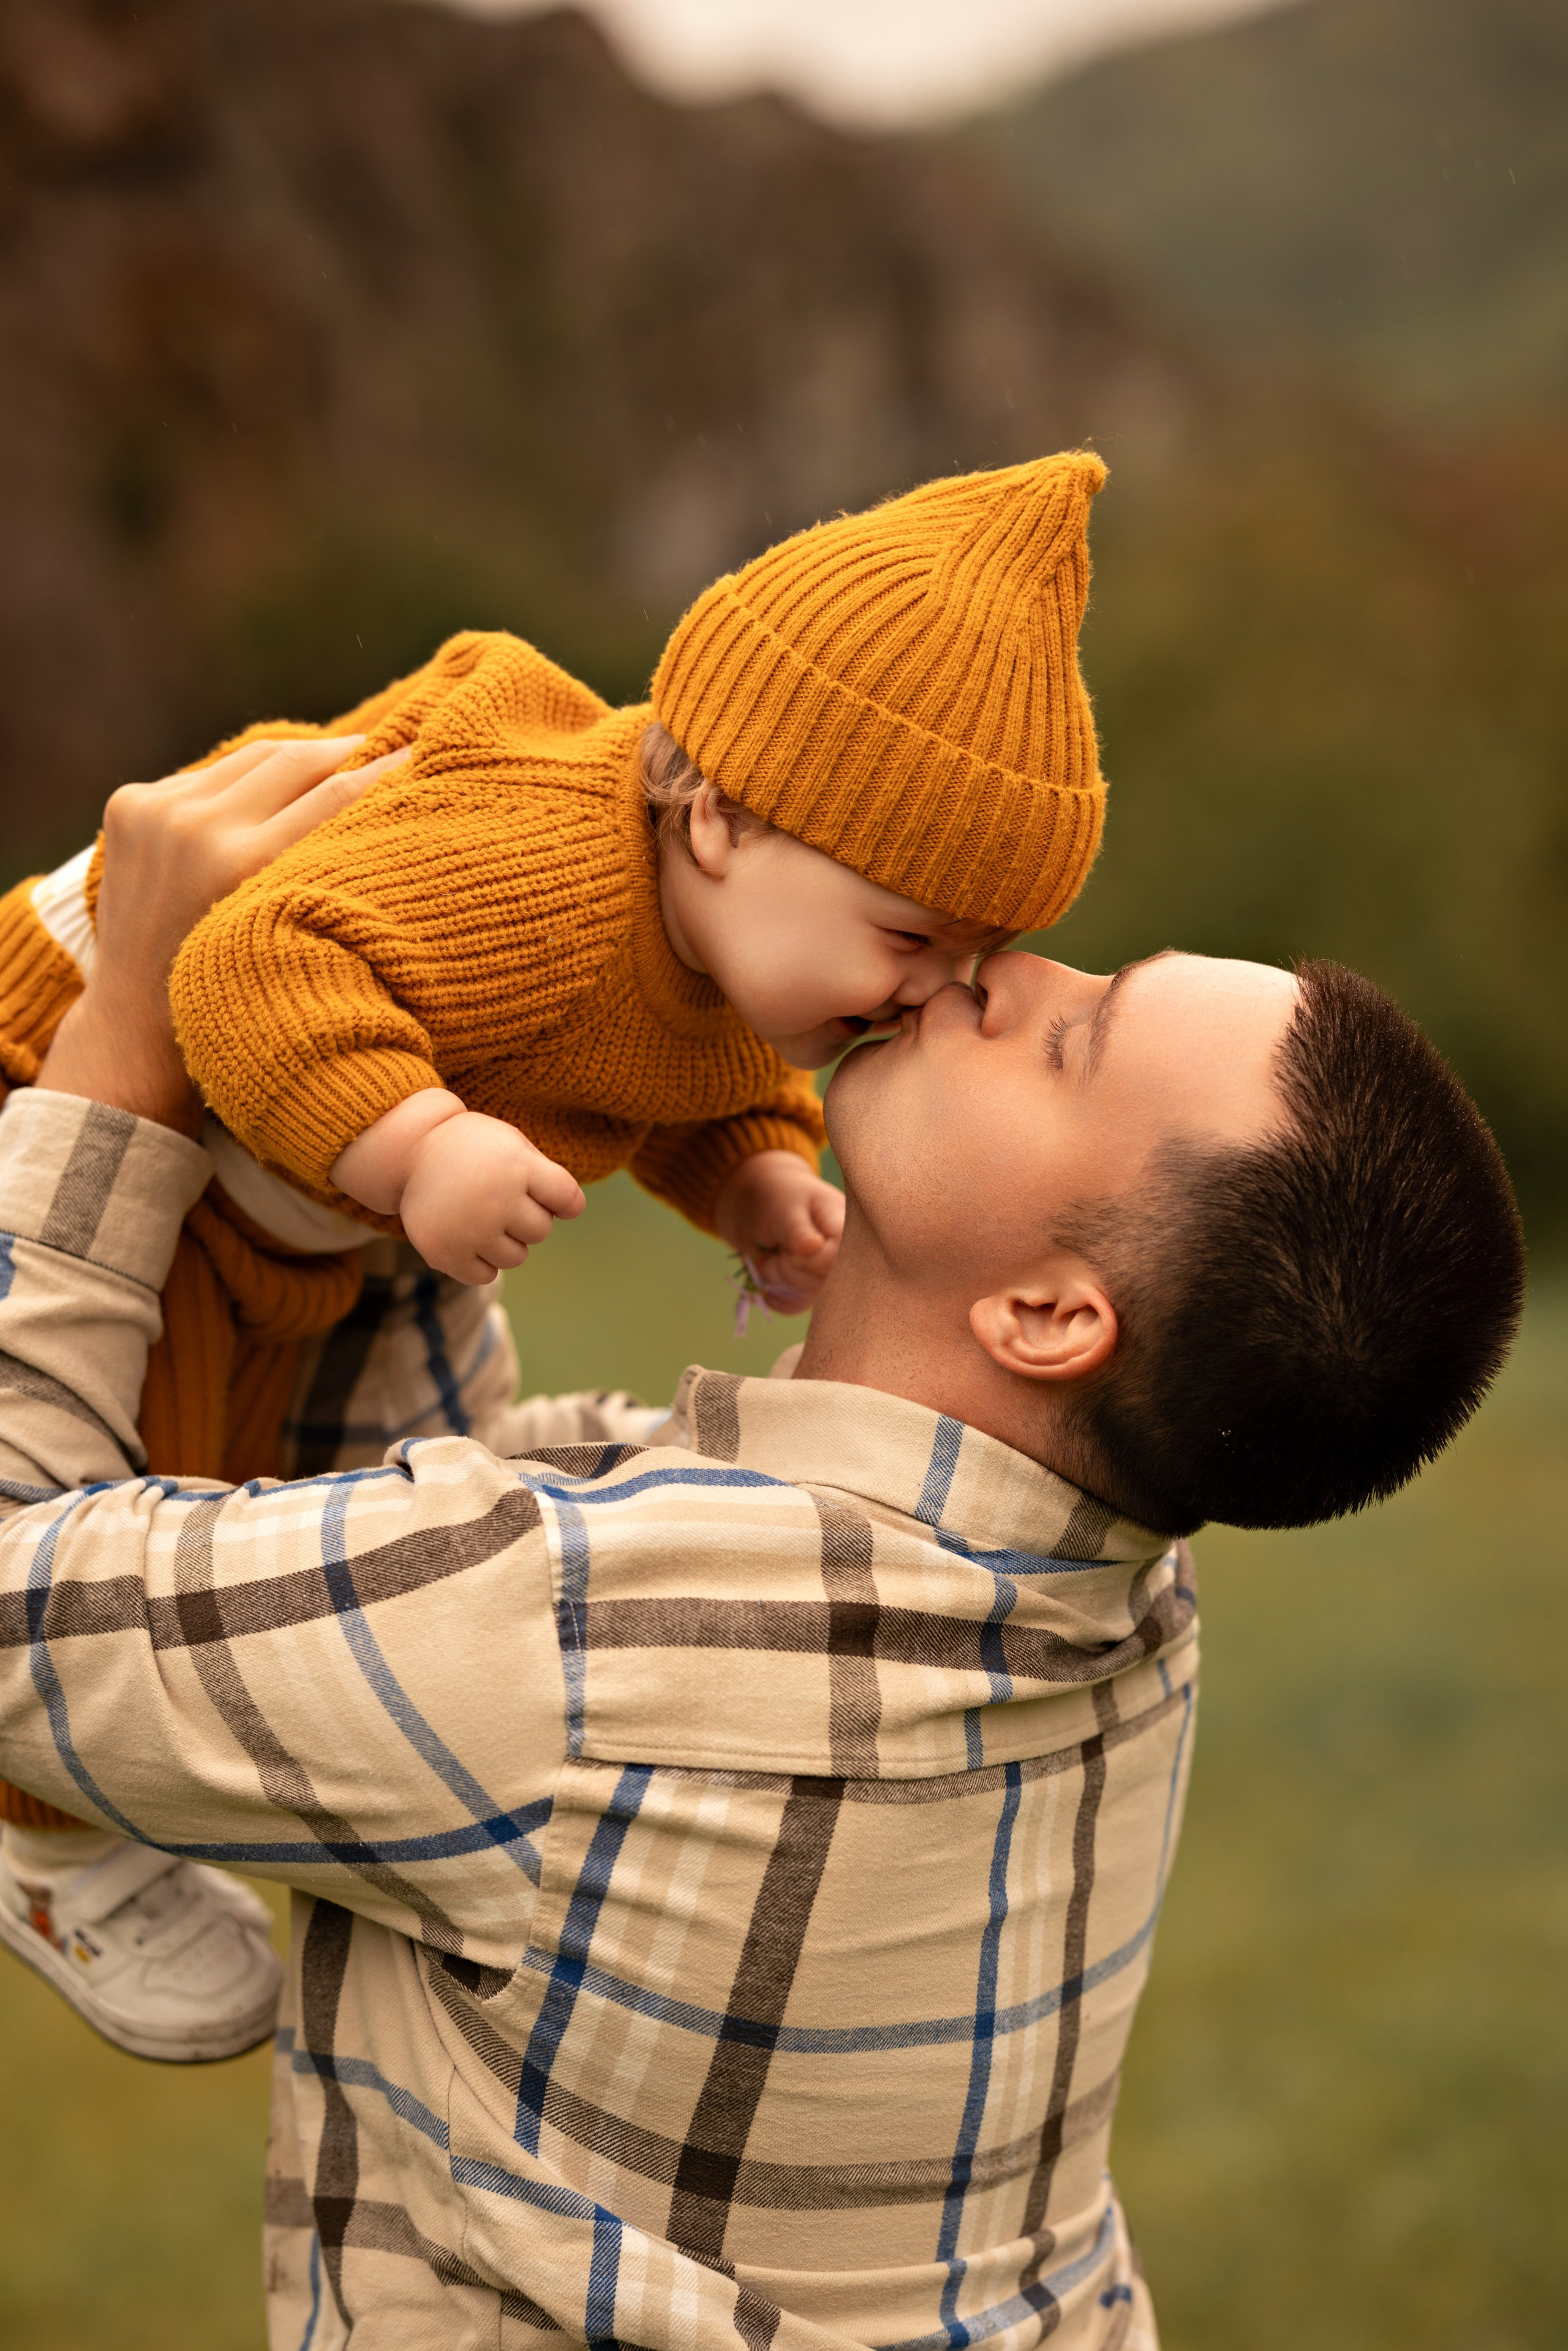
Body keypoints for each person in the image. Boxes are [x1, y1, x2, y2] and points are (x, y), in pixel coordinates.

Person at [0, 753, 1521, 2347]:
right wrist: (401, 1102)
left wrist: (126, 1041)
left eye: (1073, 1039)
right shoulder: (1115, 1601)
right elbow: (422, 1520)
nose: (1004, 967)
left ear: (1050, 1315)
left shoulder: (584, 1639)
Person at [0, 450, 1106, 2036]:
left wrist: (755, 1178)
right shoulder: (544, 886)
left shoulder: (715, 933)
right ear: (719, 817)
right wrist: (421, 1142)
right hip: (84, 1089)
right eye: (912, 938)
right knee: (127, 1490)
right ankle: (48, 1843)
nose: (935, 994)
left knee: (285, 1491)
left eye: (977, 954)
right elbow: (255, 965)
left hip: (263, 1188)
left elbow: (688, 1075)